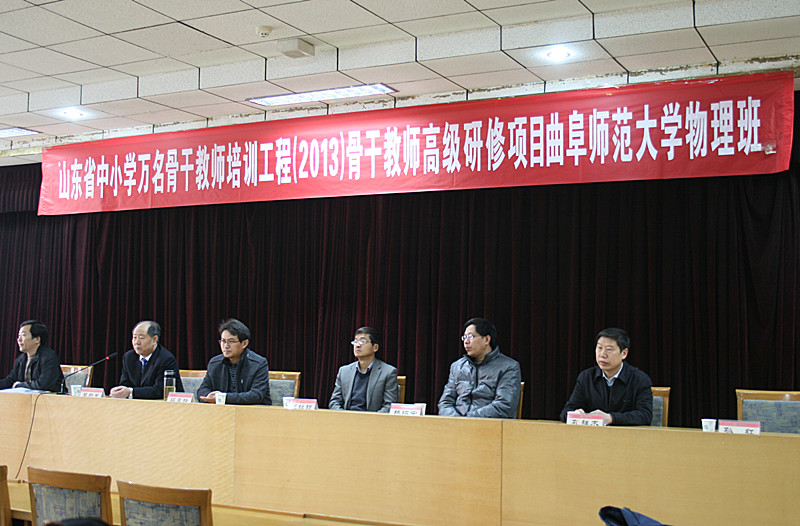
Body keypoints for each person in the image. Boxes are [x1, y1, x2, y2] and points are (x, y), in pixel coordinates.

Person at [559, 327, 653, 425]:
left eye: (609, 349)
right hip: (593, 434)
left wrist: (611, 418)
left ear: (624, 353)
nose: (602, 354)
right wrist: (575, 414)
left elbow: (645, 416)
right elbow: (566, 411)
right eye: (599, 348)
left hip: (626, 434)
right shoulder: (586, 377)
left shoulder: (639, 379)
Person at [438, 318, 521, 418]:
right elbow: (445, 402)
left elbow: (504, 406)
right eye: (464, 337)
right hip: (456, 423)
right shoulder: (457, 366)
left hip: (488, 425)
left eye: (470, 336)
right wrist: (456, 420)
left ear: (486, 339)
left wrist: (468, 420)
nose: (466, 341)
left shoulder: (508, 366)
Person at [197, 318, 270, 405]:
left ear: (244, 343)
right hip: (223, 411)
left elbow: (256, 395)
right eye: (223, 341)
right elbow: (202, 390)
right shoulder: (215, 363)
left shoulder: (258, 363)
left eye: (231, 341)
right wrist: (208, 396)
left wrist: (222, 397)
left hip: (253, 410)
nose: (226, 346)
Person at [329, 327, 398, 412]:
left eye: (362, 341)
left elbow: (389, 405)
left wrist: (371, 419)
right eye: (355, 342)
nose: (357, 345)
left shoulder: (388, 372)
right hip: (347, 417)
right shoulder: (344, 371)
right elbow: (334, 402)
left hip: (372, 418)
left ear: (375, 347)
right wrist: (344, 416)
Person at [109, 320, 183, 399]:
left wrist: (130, 392)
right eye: (134, 337)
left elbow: (159, 391)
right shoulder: (129, 357)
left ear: (154, 340)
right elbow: (125, 384)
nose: (136, 342)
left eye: (141, 338)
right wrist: (119, 391)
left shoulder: (166, 359)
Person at [0, 320, 64, 392]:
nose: (19, 339)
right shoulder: (21, 359)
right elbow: (10, 381)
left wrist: (19, 385)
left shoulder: (49, 357)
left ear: (37, 339)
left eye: (23, 335)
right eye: (19, 336)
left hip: (49, 397)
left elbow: (43, 385)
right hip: (26, 397)